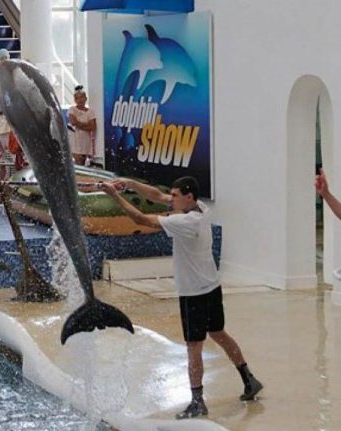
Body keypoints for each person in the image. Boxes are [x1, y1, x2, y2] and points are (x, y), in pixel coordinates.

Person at [93, 176, 263, 419]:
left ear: (188, 197)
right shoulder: (200, 208)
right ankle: (249, 380)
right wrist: (130, 183)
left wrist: (115, 196)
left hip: (194, 293)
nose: (170, 199)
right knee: (219, 333)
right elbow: (157, 195)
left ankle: (197, 401)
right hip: (211, 287)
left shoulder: (186, 222)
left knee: (193, 347)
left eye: (175, 195)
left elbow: (141, 219)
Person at [68, 85, 96, 166]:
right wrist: (86, 125)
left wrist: (79, 124)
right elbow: (73, 122)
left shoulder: (90, 112)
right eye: (77, 98)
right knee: (78, 162)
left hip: (85, 142)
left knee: (83, 164)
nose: (80, 100)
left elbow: (92, 127)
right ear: (75, 100)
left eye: (81, 97)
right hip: (76, 142)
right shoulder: (72, 109)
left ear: (85, 98)